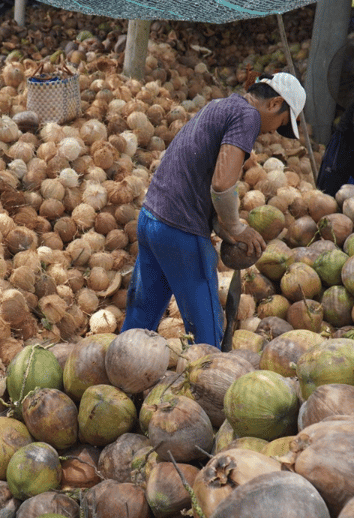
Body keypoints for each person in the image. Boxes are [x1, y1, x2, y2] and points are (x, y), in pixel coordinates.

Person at [121, 72, 306, 348]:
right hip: (180, 230)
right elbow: (221, 183)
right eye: (280, 123)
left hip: (151, 219)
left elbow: (200, 175)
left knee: (140, 318)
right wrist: (235, 227)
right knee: (206, 336)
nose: (272, 132)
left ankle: (117, 381)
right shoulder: (249, 117)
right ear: (274, 103)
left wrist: (221, 227)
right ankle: (204, 388)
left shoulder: (221, 105)